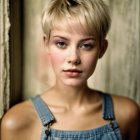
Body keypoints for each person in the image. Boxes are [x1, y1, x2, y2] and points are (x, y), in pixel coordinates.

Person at [1, 0, 140, 139]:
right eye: (61, 43)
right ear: (47, 44)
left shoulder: (126, 114)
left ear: (102, 49)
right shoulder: (17, 123)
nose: (73, 58)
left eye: (86, 45)